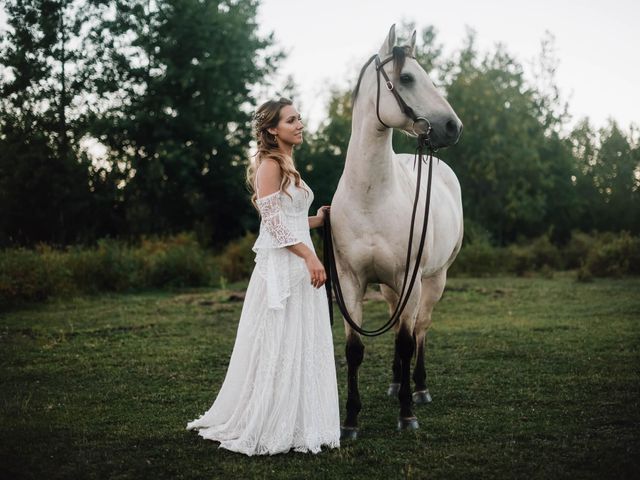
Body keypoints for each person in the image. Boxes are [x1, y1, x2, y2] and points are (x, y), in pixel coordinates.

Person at [186, 98, 340, 456]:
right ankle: (270, 420)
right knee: (279, 344)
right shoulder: (269, 165)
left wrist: (318, 219)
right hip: (282, 269)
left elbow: (290, 221)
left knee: (300, 342)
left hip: (300, 265)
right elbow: (272, 224)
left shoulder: (289, 164)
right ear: (272, 129)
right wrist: (309, 257)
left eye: (299, 118)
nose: (299, 124)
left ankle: (303, 420)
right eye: (291, 120)